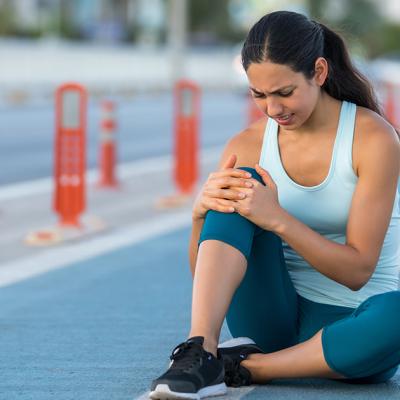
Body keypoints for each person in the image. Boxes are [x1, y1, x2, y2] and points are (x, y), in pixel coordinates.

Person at [149, 10, 400, 400]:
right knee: (240, 185)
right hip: (274, 320)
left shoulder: (373, 139)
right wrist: (200, 218)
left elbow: (357, 271)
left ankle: (246, 367)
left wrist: (278, 219)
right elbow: (209, 277)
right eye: (259, 95)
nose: (272, 109)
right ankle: (201, 351)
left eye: (284, 93)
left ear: (319, 72)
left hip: (357, 325)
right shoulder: (246, 145)